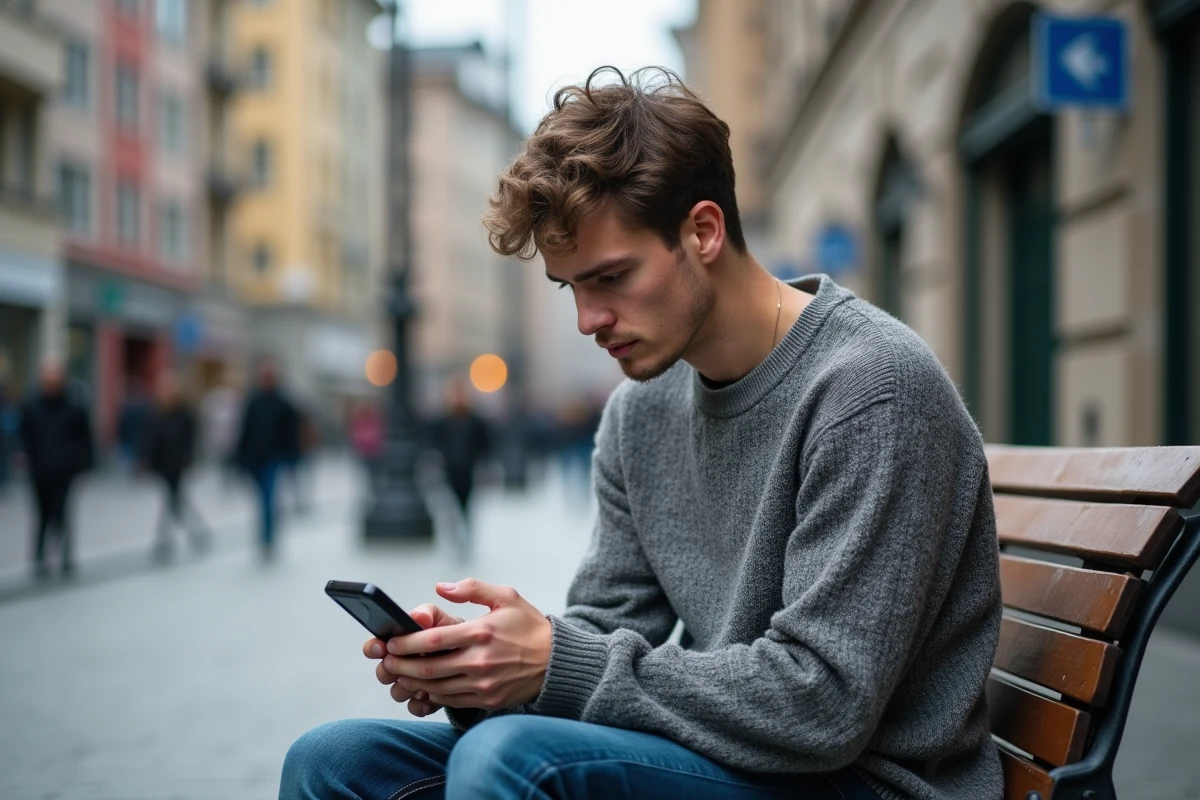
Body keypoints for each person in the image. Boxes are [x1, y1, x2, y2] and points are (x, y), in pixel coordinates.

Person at [281, 67, 1003, 800]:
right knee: (333, 760)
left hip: (865, 782)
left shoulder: (871, 388)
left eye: (611, 277)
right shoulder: (641, 409)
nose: (587, 320)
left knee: (512, 762)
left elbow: (824, 703)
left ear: (703, 231)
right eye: (571, 287)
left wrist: (553, 664)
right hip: (730, 758)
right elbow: (606, 625)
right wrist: (484, 670)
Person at [19, 360, 94, 579]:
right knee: (42, 514)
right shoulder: (32, 405)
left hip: (64, 470)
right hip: (40, 469)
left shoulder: (74, 406)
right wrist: (22, 454)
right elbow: (23, 434)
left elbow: (85, 438)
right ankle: (39, 559)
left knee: (62, 513)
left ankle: (65, 557)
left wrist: (84, 465)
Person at [140, 371, 211, 560]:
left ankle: (165, 541)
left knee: (172, 501)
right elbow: (150, 439)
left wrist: (189, 459)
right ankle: (196, 532)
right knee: (175, 501)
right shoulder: (156, 412)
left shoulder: (184, 413)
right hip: (161, 464)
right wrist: (145, 459)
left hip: (178, 464)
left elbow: (191, 440)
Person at [234, 359, 298, 561]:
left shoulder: (283, 403)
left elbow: (290, 433)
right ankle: (266, 534)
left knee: (268, 498)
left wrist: (290, 457)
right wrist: (240, 458)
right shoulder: (253, 402)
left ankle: (267, 538)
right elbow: (245, 430)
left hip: (273, 457)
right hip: (254, 458)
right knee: (262, 499)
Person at [427, 378, 491, 532]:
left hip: (469, 468)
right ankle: (455, 528)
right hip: (450, 467)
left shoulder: (475, 421)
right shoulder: (443, 421)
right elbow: (436, 442)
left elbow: (484, 444)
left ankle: (465, 527)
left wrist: (484, 464)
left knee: (467, 501)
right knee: (450, 501)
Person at [115, 380, 151, 476]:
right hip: (138, 437)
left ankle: (133, 473)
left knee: (129, 460)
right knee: (137, 457)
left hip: (129, 438)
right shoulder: (144, 406)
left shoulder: (126, 406)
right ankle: (137, 472)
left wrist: (120, 437)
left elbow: (122, 424)